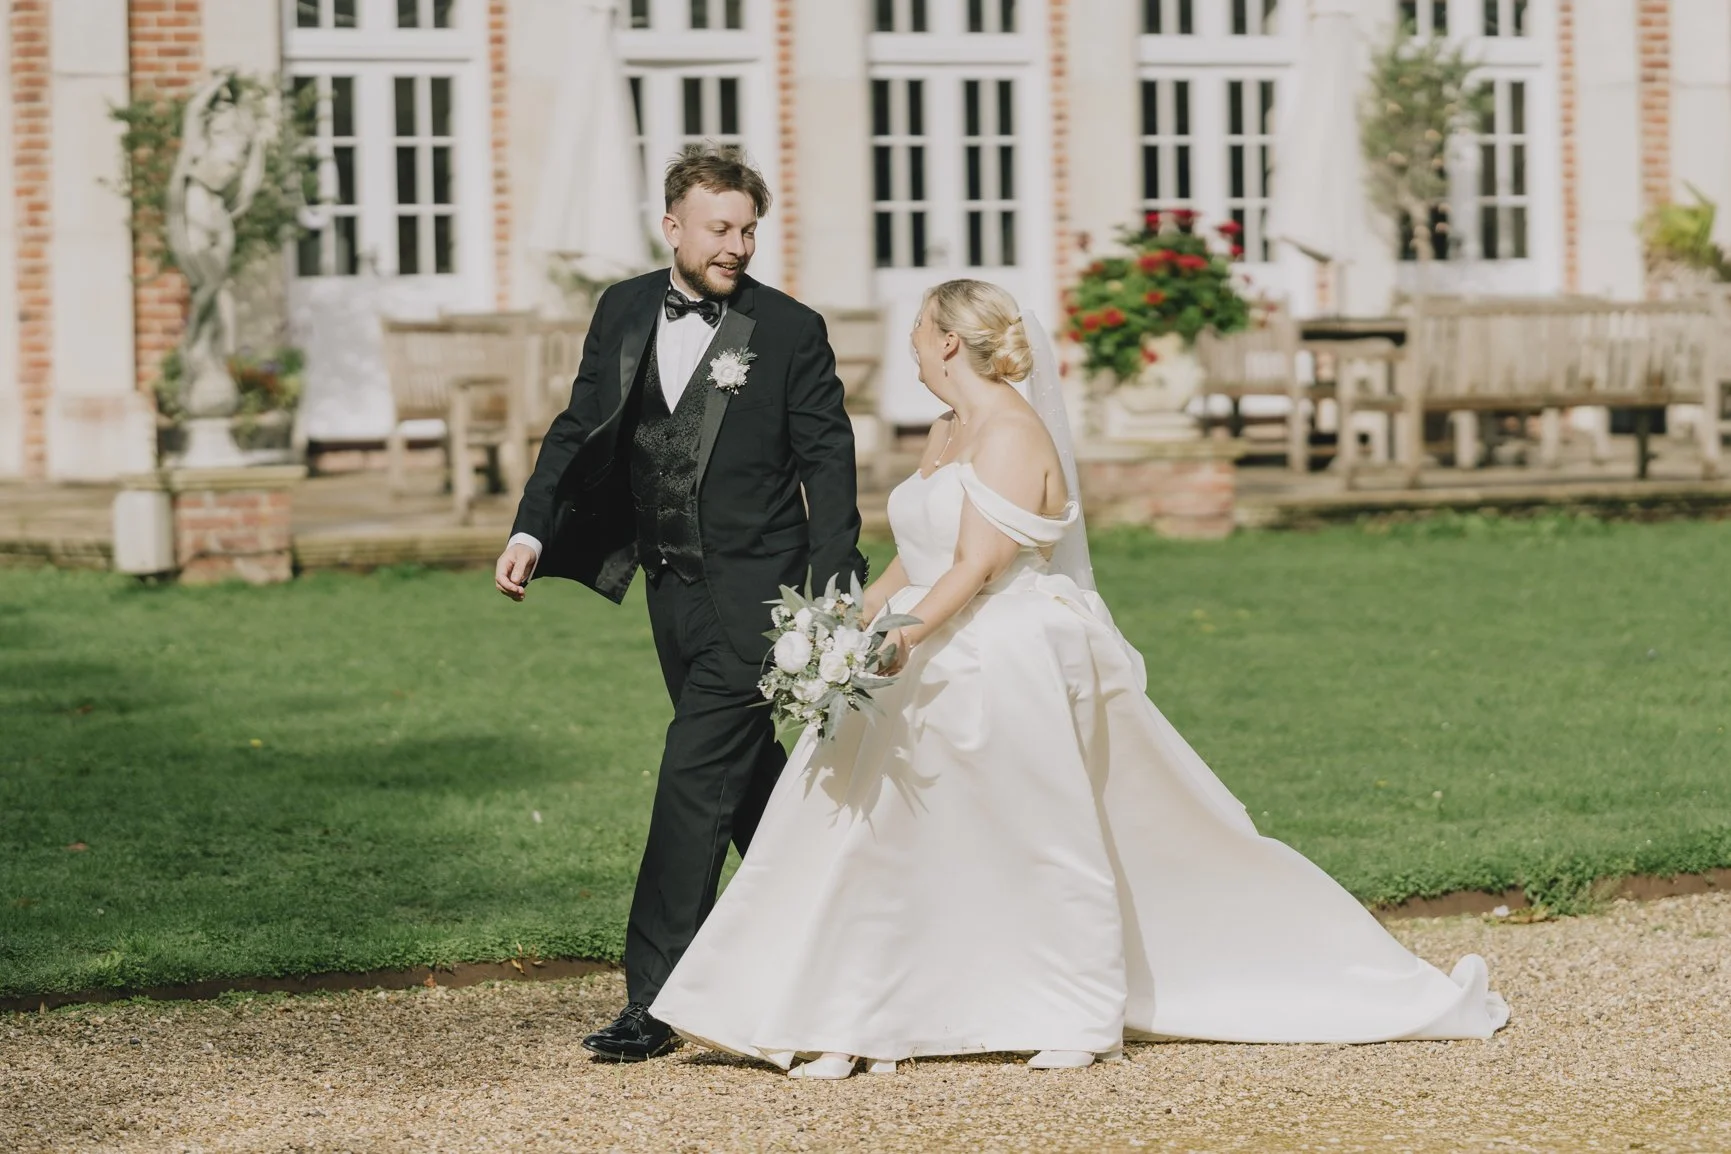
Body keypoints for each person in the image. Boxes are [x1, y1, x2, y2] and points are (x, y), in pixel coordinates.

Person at [647, 279, 1509, 1078]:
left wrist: (901, 636)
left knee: (1034, 838)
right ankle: (844, 1016)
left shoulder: (1014, 433)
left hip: (998, 652)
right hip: (928, 640)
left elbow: (979, 563)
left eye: (916, 329)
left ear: (948, 341)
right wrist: (844, 623)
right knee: (868, 836)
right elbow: (919, 554)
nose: (909, 343)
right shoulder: (944, 430)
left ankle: (1075, 1010)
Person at [494, 143, 867, 1062]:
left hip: (761, 598)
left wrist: (829, 599)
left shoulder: (788, 330)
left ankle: (657, 998)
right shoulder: (624, 307)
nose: (736, 244)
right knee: (750, 789)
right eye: (719, 228)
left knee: (693, 779)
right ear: (673, 227)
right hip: (669, 589)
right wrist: (530, 528)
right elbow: (581, 424)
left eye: (747, 229)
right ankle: (847, 930)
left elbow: (829, 461)